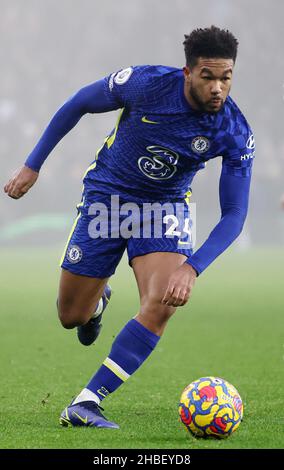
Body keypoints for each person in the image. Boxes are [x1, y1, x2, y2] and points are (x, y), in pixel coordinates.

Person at [4, 26, 255, 429]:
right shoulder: (145, 83)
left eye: (226, 78)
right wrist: (33, 164)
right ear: (187, 72)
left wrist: (191, 268)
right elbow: (78, 103)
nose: (217, 89)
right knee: (70, 316)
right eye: (208, 76)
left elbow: (234, 214)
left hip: (164, 209)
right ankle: (95, 304)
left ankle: (86, 402)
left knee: (161, 302)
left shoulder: (233, 130)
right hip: (108, 197)